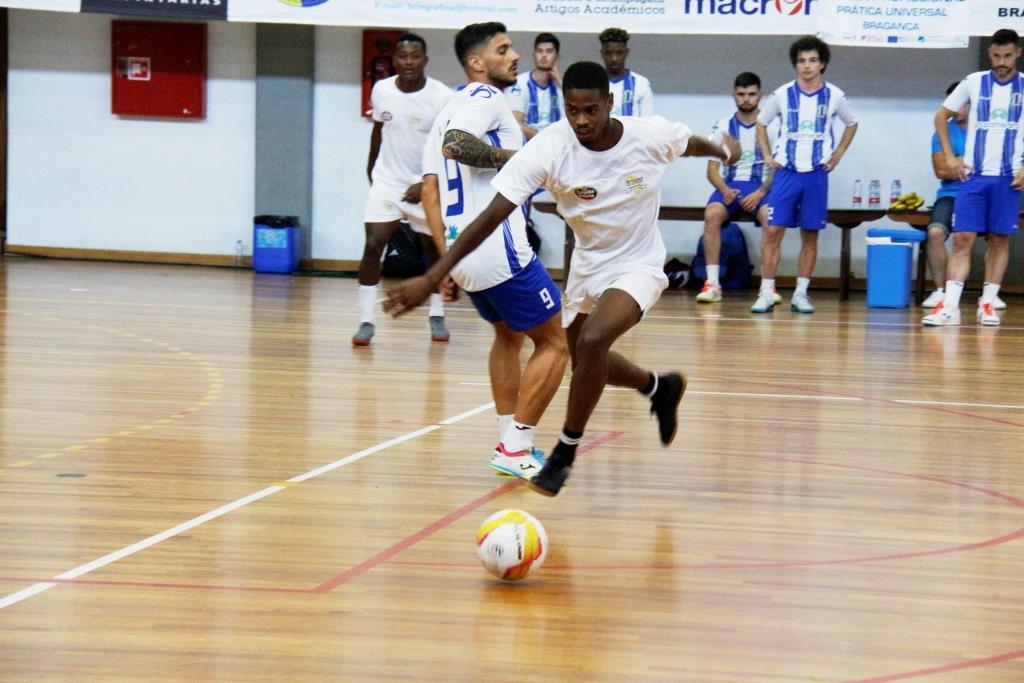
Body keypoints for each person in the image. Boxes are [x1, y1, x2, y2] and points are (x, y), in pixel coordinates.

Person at [385, 61, 741, 497]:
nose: (582, 121)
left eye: (591, 110)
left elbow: (688, 144)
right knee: (582, 357)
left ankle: (563, 454)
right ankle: (658, 387)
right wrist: (433, 275)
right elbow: (490, 218)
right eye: (572, 110)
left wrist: (723, 153)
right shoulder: (549, 148)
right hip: (588, 266)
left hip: (639, 262)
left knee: (591, 342)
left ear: (610, 104)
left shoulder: (648, 134)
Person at [418, 22, 569, 478]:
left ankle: (509, 439)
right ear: (477, 64)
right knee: (556, 343)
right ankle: (517, 446)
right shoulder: (487, 98)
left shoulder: (447, 107)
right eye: (503, 49)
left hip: (466, 253)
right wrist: (525, 161)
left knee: (508, 337)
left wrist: (446, 261)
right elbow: (458, 146)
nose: (515, 55)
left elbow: (429, 191)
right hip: (498, 246)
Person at [352, 34, 452, 346]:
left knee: (432, 250)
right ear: (395, 60)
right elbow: (378, 130)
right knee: (373, 244)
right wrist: (372, 171)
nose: (409, 62)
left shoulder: (442, 96)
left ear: (425, 59)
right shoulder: (382, 89)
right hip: (388, 182)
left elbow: (449, 148)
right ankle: (366, 321)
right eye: (403, 57)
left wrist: (425, 183)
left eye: (415, 56)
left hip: (427, 183)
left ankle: (437, 315)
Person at [923, 28, 1023, 327]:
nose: (1001, 61)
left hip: (1007, 177)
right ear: (990, 54)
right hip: (973, 177)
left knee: (999, 239)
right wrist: (952, 156)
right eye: (996, 55)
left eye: (1007, 55)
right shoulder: (974, 82)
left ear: (1017, 53)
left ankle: (988, 304)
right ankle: (950, 306)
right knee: (963, 239)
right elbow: (941, 116)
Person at [752, 35, 858, 315]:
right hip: (786, 172)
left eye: (812, 60)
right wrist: (766, 154)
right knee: (773, 231)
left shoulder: (834, 95)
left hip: (816, 175)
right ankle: (766, 292)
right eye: (801, 61)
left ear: (822, 64)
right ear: (795, 64)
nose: (807, 66)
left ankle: (801, 293)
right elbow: (761, 123)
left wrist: (838, 154)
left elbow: (852, 123)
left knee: (810, 235)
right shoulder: (783, 94)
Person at [697, 72, 778, 304]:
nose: (746, 99)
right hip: (730, 185)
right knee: (711, 215)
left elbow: (779, 167)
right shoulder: (723, 125)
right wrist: (724, 189)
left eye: (751, 94)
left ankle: (767, 287)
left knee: (772, 222)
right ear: (734, 95)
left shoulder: (772, 124)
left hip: (760, 187)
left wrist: (761, 192)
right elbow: (712, 169)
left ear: (760, 96)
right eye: (741, 94)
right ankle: (712, 284)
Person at [920, 81, 969, 309]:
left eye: (961, 104)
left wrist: (958, 162)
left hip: (977, 194)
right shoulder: (942, 132)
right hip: (949, 194)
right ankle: (941, 291)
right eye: (951, 105)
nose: (956, 110)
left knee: (997, 237)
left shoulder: (982, 129)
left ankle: (990, 293)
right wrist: (969, 165)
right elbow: (941, 170)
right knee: (936, 233)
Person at [507, 32, 563, 141]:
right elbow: (516, 123)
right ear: (534, 55)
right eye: (539, 51)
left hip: (559, 145)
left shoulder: (563, 86)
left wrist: (561, 82)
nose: (544, 55)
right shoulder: (519, 83)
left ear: (557, 56)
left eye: (549, 51)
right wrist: (544, 141)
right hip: (529, 147)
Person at [598, 28, 653, 118]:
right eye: (609, 53)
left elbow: (647, 122)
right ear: (602, 53)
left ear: (626, 52)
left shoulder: (641, 83)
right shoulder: (593, 83)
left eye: (619, 53)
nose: (614, 58)